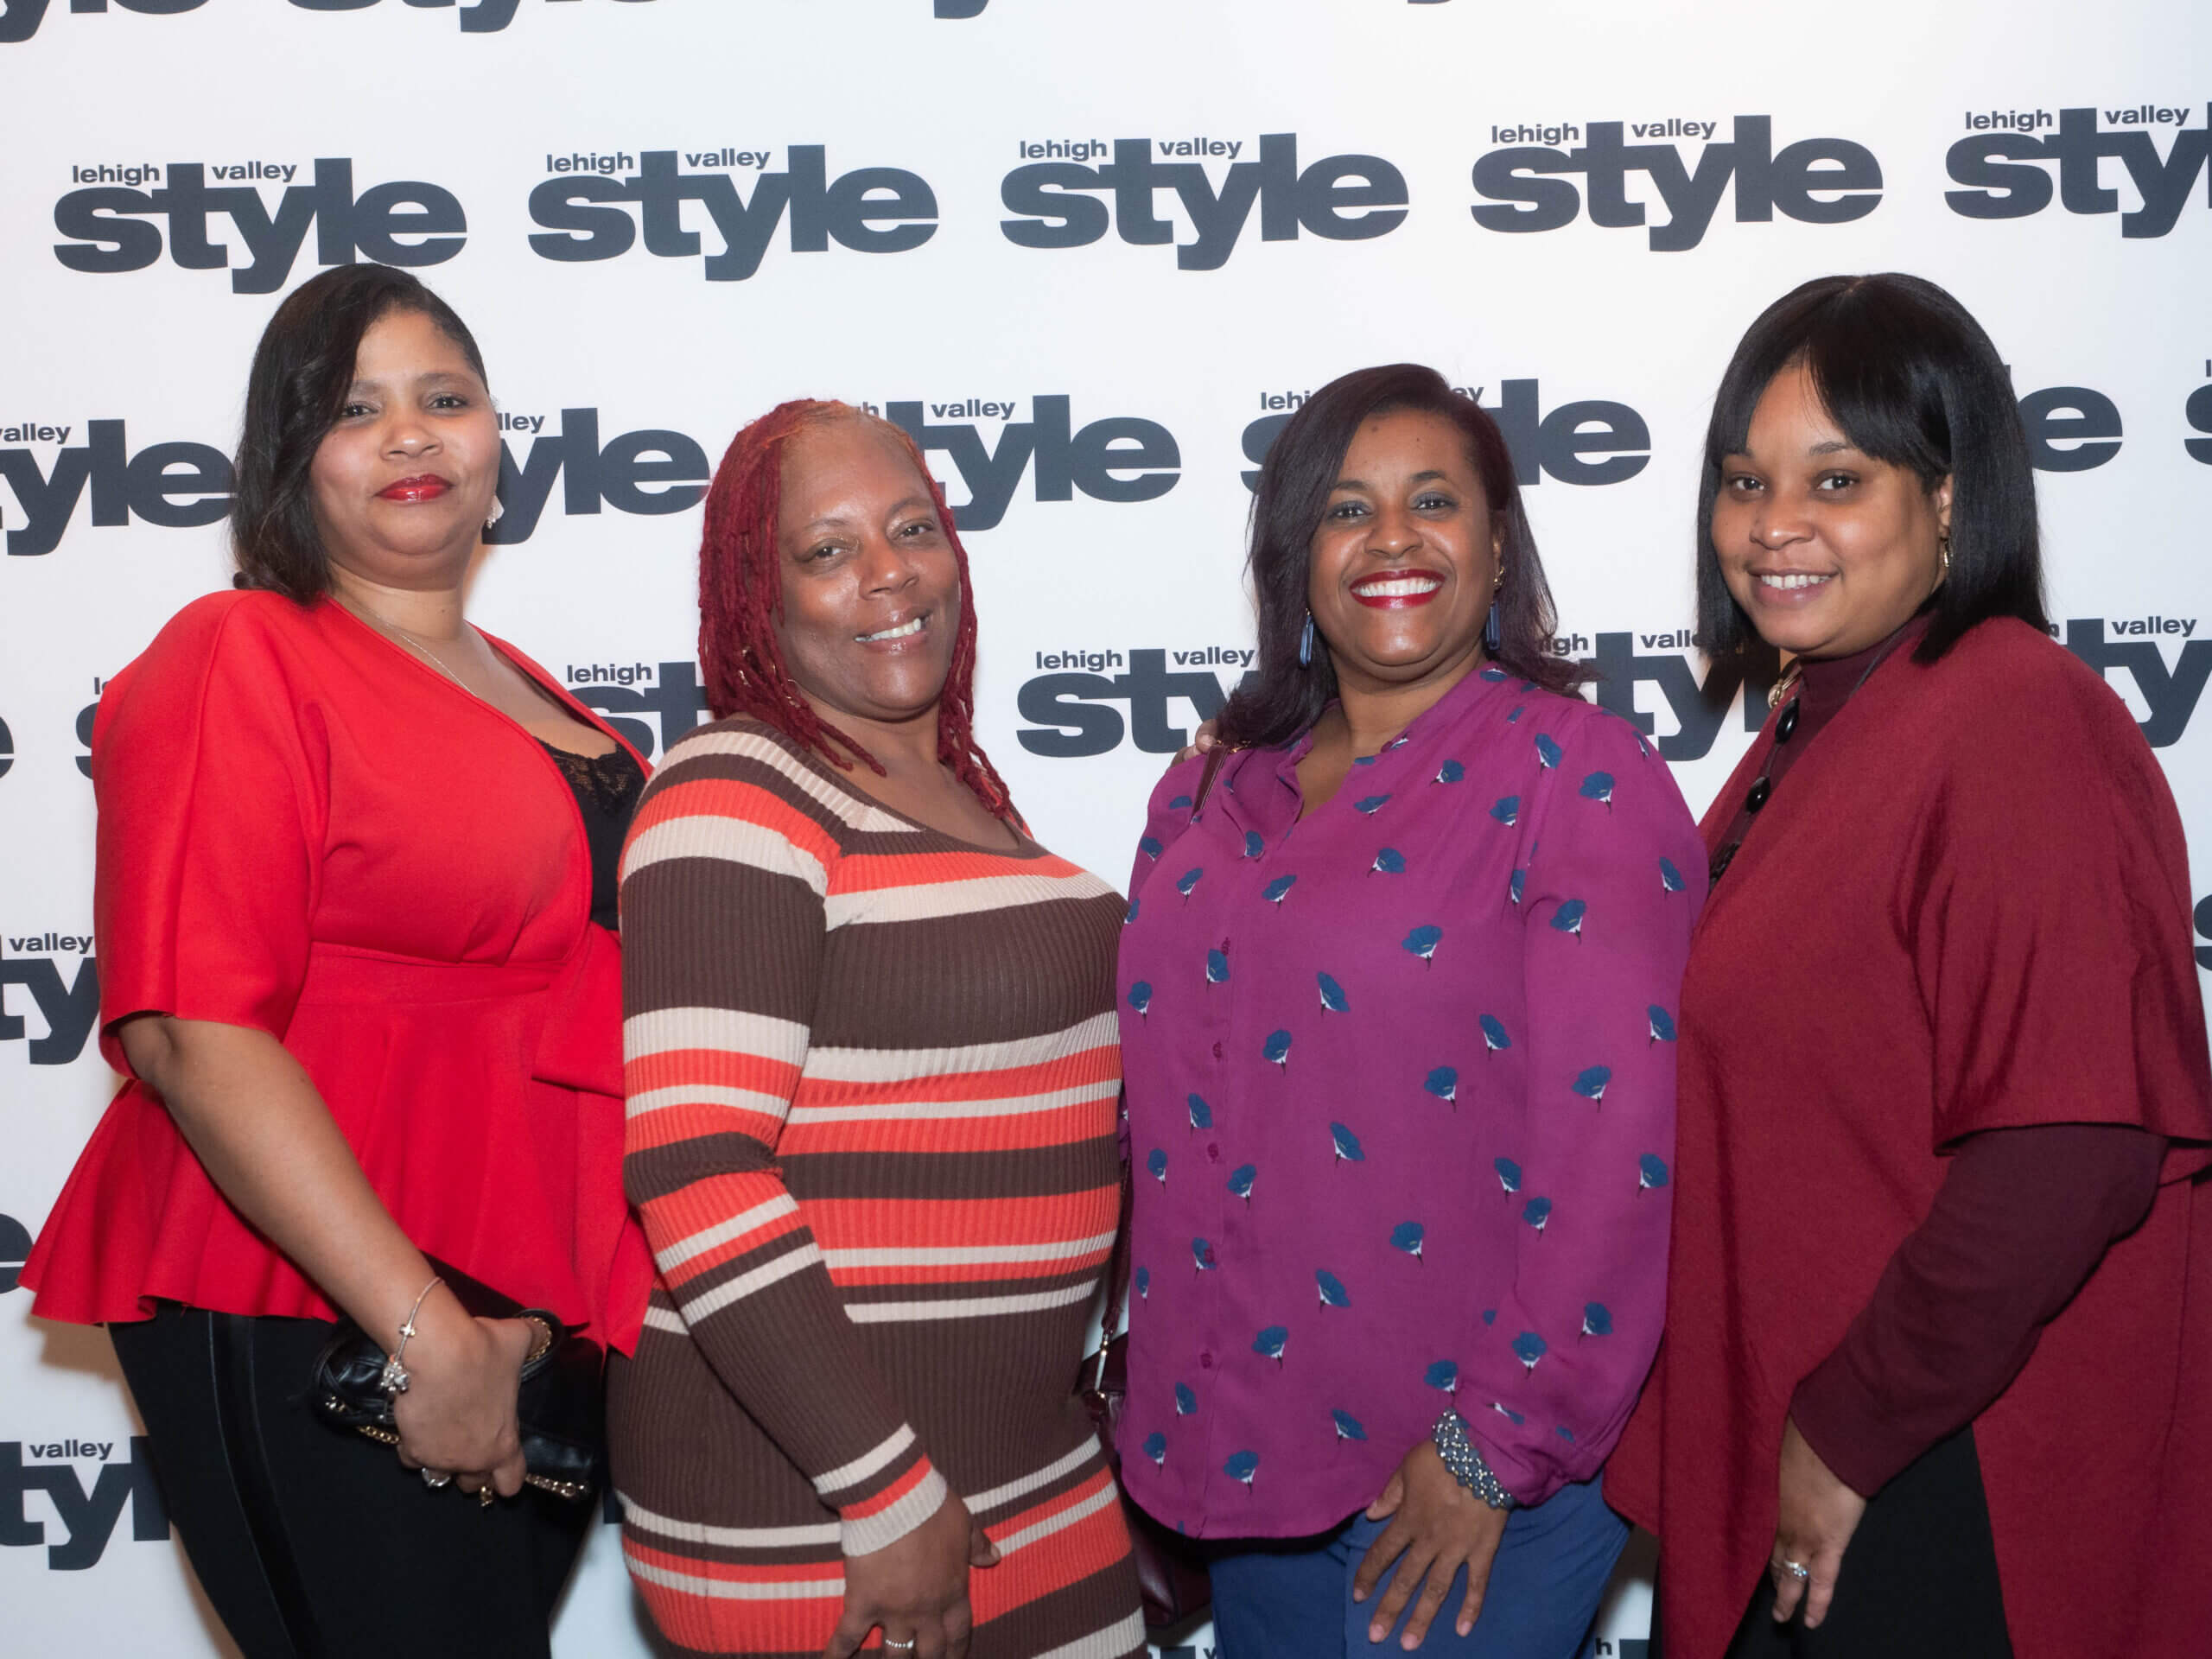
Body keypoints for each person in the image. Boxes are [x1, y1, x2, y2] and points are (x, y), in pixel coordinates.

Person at [19, 264, 654, 1659]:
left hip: (531, 1317)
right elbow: (192, 1027)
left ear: (500, 433)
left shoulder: (544, 693)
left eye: (447, 397)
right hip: (322, 1299)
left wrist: (522, 1340)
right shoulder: (238, 654)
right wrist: (430, 1333)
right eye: (358, 410)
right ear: (289, 458)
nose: (415, 436)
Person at [1604, 273, 2212, 1659]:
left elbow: (2073, 1142)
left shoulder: (2013, 719)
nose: (1774, 528)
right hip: (1839, 1445)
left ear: (1948, 502)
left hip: (1946, 1475)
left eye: (1839, 478)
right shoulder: (1812, 730)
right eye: (1745, 480)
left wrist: (1848, 1430)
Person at [1115, 364, 1704, 1657]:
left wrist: (1491, 1451)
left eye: (1433, 501)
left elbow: (1622, 1159)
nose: (1391, 538)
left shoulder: (1580, 780)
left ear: (1498, 549)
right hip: (1241, 1467)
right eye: (1345, 509)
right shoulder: (1202, 799)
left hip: (1465, 1484)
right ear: (1295, 562)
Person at [608, 399, 1146, 1659]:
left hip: (1031, 1466)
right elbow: (694, 1165)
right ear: (758, 593)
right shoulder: (732, 790)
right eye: (828, 548)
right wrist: (883, 1488)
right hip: (818, 1503)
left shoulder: (960, 791)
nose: (888, 571)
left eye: (913, 528)